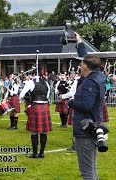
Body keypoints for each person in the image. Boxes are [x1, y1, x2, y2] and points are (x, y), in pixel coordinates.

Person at [68, 32, 106, 179]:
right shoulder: (98, 74)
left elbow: (86, 105)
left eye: (81, 64)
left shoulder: (90, 81)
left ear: (84, 67)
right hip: (92, 126)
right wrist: (79, 42)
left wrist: (71, 102)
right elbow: (88, 59)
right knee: (92, 168)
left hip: (85, 129)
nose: (80, 65)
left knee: (87, 172)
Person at [19, 73, 52, 158]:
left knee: (34, 131)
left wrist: (23, 99)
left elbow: (22, 94)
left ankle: (35, 153)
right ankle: (41, 153)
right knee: (43, 131)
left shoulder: (30, 82)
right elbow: (48, 95)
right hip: (45, 107)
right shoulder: (46, 83)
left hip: (35, 106)